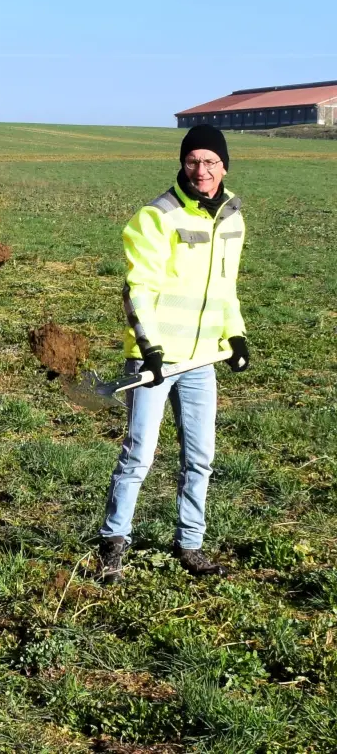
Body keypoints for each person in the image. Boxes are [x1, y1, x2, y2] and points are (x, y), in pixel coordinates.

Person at [96, 124, 248, 583]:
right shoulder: (156, 216)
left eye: (210, 162)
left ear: (224, 166)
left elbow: (225, 287)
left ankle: (190, 543)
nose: (201, 171)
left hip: (202, 359)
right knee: (139, 454)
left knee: (199, 456)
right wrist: (151, 347)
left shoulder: (232, 217)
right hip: (155, 361)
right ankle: (113, 543)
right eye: (192, 161)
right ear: (182, 164)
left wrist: (235, 335)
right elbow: (137, 288)